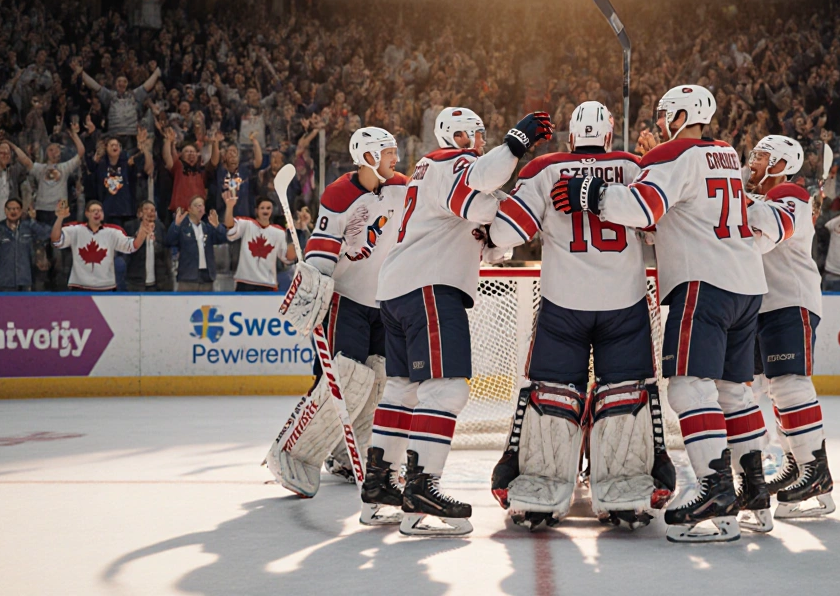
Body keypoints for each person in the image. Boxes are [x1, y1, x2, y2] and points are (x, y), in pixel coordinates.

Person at [552, 85, 794, 544]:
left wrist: (594, 191)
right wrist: (650, 165)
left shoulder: (674, 153)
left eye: (665, 115)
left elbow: (643, 208)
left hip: (703, 284)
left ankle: (715, 493)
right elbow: (676, 213)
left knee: (688, 387)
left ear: (682, 114)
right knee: (733, 394)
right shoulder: (723, 153)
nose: (660, 123)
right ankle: (755, 496)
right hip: (745, 285)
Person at [334, 108, 549, 536]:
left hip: (397, 290)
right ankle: (421, 491)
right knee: (446, 387)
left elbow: (485, 236)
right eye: (477, 133)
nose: (482, 140)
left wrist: (495, 226)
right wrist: (516, 145)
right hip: (430, 289)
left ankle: (379, 488)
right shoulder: (452, 162)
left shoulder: (434, 176)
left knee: (403, 389)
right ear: (458, 135)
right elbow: (487, 183)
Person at [488, 102, 673, 531]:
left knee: (550, 393)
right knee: (626, 394)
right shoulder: (632, 166)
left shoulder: (544, 168)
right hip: (624, 304)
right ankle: (625, 482)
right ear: (609, 135)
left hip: (561, 304)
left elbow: (506, 233)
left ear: (571, 135)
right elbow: (657, 226)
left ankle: (541, 479)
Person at [265, 127, 409, 503]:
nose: (396, 159)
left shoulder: (402, 188)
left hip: (385, 302)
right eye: (389, 152)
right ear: (368, 158)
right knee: (345, 380)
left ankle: (349, 456)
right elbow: (322, 252)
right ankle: (294, 451)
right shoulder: (339, 194)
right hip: (346, 302)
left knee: (378, 381)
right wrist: (313, 283)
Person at [746, 135, 833, 525]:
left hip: (790, 302)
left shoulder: (790, 192)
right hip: (766, 305)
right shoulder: (769, 197)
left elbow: (768, 234)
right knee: (775, 389)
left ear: (781, 163)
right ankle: (798, 464)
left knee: (791, 384)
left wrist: (730, 194)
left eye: (762, 156)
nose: (753, 161)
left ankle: (816, 472)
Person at [52, 198, 148, 291]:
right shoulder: (75, 230)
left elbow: (132, 246)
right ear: (86, 213)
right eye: (93, 210)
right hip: (79, 287)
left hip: (105, 287)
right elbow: (56, 241)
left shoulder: (113, 232)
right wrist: (60, 218)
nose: (97, 212)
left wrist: (142, 232)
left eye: (100, 210)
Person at [223, 191, 294, 291]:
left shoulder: (279, 232)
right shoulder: (246, 224)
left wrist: (298, 233)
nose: (265, 211)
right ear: (256, 210)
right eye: (262, 208)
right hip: (245, 282)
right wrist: (229, 207)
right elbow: (230, 227)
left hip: (268, 284)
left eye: (268, 208)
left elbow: (286, 257)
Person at [0, 198, 51, 291]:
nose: (13, 211)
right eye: (10, 209)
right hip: (3, 281)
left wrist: (33, 221)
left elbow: (47, 234)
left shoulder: (28, 226)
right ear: (5, 210)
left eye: (17, 209)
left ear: (21, 211)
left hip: (24, 280)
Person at [28, 118, 85, 225]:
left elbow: (81, 152)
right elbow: (27, 164)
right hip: (43, 207)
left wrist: (74, 135)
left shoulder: (65, 167)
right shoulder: (39, 168)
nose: (54, 152)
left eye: (56, 149)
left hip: (60, 208)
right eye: (51, 150)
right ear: (45, 153)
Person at [165, 196, 228, 291]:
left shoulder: (207, 228)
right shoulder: (182, 228)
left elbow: (224, 238)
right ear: (189, 209)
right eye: (196, 205)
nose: (200, 208)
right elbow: (170, 241)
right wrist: (176, 224)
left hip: (207, 277)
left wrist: (217, 226)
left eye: (202, 205)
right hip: (188, 278)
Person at [124, 201, 171, 291]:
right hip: (135, 281)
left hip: (157, 281)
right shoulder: (130, 226)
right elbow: (127, 250)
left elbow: (164, 251)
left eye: (153, 210)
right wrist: (140, 234)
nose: (150, 212)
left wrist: (155, 243)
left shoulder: (160, 227)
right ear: (139, 213)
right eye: (146, 209)